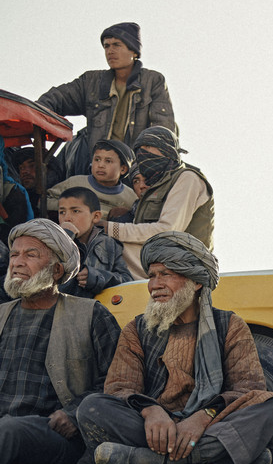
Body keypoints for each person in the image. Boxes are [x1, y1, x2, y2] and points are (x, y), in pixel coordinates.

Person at [78, 232, 273, 464]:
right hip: (155, 429)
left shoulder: (230, 325)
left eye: (166, 275)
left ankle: (147, 461)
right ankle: (212, 460)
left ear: (197, 281)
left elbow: (248, 389)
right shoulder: (137, 330)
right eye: (151, 276)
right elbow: (119, 388)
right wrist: (151, 411)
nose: (154, 285)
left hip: (211, 425)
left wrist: (204, 416)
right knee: (93, 407)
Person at [0, 219, 121, 464]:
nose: (17, 262)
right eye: (14, 254)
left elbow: (118, 382)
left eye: (31, 255)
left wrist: (75, 413)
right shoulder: (1, 314)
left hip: (54, 435)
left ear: (57, 271)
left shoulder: (91, 314)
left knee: (9, 429)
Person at [38, 23, 176, 177]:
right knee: (53, 169)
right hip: (95, 166)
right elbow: (58, 97)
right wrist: (34, 115)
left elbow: (163, 128)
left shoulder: (152, 81)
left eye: (117, 45)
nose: (110, 51)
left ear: (134, 51)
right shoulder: (91, 81)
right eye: (106, 46)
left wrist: (145, 168)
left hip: (133, 169)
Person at [104, 126, 213, 278]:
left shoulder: (187, 178)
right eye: (139, 149)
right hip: (157, 257)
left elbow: (168, 230)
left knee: (106, 243)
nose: (143, 153)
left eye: (149, 146)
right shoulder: (156, 185)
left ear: (167, 149)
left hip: (184, 264)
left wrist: (112, 229)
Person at [55, 187, 133, 296]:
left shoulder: (108, 244)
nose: (67, 218)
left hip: (96, 308)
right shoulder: (53, 245)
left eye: (75, 211)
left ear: (95, 216)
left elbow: (127, 281)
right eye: (62, 212)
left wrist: (97, 277)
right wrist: (65, 239)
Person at [45, 139, 138, 220]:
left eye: (108, 161)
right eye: (97, 159)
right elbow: (44, 201)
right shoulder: (74, 183)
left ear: (123, 169)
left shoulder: (131, 197)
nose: (100, 165)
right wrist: (71, 207)